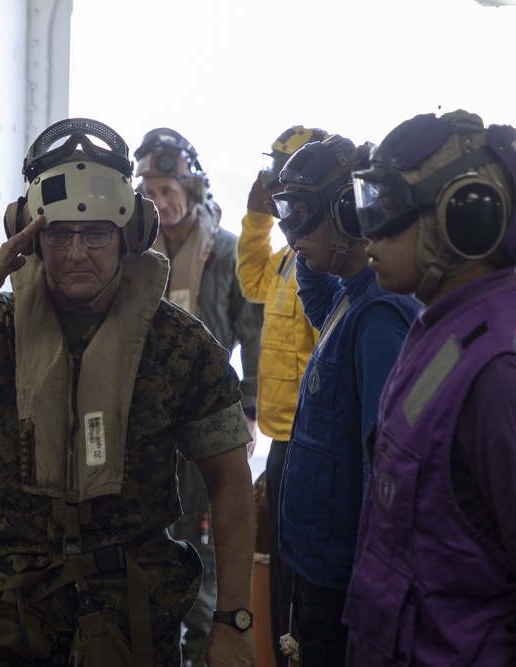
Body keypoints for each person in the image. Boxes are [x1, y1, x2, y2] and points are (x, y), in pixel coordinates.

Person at [0, 118, 256, 667]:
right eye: (58, 234)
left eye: (97, 234)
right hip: (14, 620)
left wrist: (232, 620)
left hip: (133, 621)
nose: (76, 252)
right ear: (32, 237)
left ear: (129, 235)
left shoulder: (178, 343)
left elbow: (230, 481)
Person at [343, 110, 516, 665]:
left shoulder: (498, 368)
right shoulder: (442, 327)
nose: (370, 230)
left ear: (464, 217)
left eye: (389, 210)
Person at [273, 136, 420, 667]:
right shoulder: (351, 296)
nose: (290, 234)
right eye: (284, 214)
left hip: (344, 580)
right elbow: (315, 295)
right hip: (317, 566)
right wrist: (315, 235)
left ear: (346, 213)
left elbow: (382, 461)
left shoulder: (379, 314)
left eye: (302, 215)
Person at [135, 127, 263, 666]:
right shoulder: (135, 253)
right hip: (142, 427)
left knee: (207, 553)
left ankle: (206, 649)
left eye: (169, 190)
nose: (161, 203)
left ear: (192, 189)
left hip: (210, 423)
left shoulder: (228, 253)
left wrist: (252, 411)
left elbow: (254, 335)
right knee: (148, 544)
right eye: (151, 192)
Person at [235, 125, 327, 666]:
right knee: (280, 567)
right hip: (282, 437)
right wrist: (256, 217)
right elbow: (251, 280)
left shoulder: (324, 268)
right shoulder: (291, 261)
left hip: (310, 442)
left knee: (300, 573)